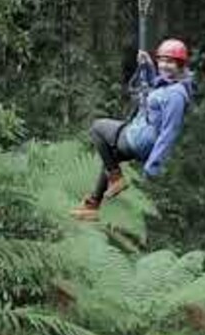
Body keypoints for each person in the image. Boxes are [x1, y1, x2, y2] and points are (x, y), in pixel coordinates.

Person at [70, 38, 196, 221]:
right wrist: (147, 66)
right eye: (162, 60)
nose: (165, 65)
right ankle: (93, 205)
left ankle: (116, 178)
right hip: (140, 133)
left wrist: (153, 165)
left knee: (98, 128)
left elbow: (169, 132)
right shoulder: (170, 84)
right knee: (110, 158)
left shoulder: (177, 95)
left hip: (141, 140)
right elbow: (156, 86)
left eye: (170, 62)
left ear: (180, 65)